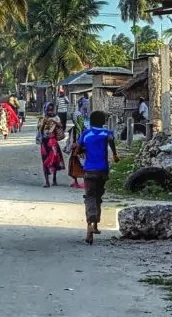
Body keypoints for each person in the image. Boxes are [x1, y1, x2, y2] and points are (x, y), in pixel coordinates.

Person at [72, 111, 119, 244]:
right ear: (103, 121)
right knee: (98, 197)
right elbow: (111, 141)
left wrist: (81, 150)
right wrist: (115, 155)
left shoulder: (86, 133)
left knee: (90, 197)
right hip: (103, 171)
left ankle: (90, 227)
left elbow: (78, 149)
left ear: (91, 121)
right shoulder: (107, 133)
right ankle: (96, 224)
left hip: (89, 170)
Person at [37, 102, 65, 187]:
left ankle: (54, 179)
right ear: (45, 110)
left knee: (55, 159)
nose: (50, 111)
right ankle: (47, 181)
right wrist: (43, 123)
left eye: (51, 110)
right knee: (45, 160)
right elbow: (39, 129)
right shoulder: (42, 118)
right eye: (48, 110)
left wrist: (54, 121)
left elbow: (61, 125)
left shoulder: (56, 117)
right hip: (44, 142)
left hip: (53, 141)